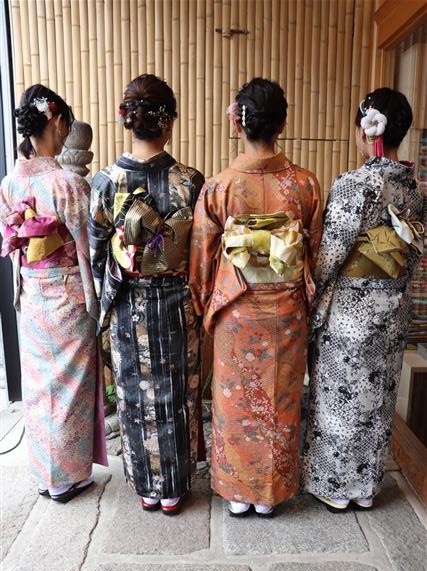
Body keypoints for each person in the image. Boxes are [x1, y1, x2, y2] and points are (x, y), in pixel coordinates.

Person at [189, 78, 322, 517]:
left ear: (237, 123)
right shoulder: (305, 185)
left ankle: (238, 492)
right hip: (287, 311)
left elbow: (203, 257)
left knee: (235, 401)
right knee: (280, 399)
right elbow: (315, 254)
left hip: (237, 310)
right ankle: (271, 492)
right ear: (282, 123)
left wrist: (204, 304)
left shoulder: (219, 187)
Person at [302, 88, 425, 512]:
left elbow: (332, 253)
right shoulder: (413, 190)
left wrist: (312, 293)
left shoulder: (355, 185)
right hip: (394, 305)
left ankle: (336, 485)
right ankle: (366, 486)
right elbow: (413, 253)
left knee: (341, 396)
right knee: (378, 397)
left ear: (365, 130)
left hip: (352, 310)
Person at [89, 74, 204, 515]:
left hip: (126, 303)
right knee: (175, 390)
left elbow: (98, 254)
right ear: (168, 121)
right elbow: (202, 253)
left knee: (134, 392)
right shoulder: (190, 182)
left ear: (127, 120)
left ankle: (146, 486)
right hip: (176, 301)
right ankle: (173, 487)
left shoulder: (104, 182)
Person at [0, 84, 107, 502]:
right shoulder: (68, 184)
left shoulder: (10, 183)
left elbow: (14, 244)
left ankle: (47, 476)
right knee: (69, 390)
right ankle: (67, 477)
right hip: (67, 297)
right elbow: (91, 248)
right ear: (58, 121)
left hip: (32, 297)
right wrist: (99, 299)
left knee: (40, 387)